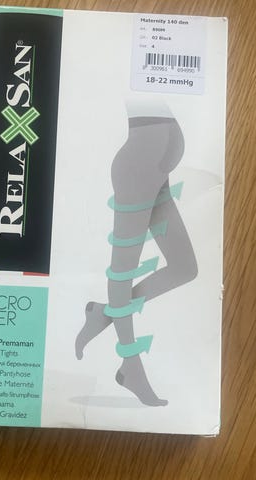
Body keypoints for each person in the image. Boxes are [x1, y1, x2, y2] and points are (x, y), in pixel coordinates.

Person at [76, 97, 198, 406]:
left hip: (155, 172)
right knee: (123, 270)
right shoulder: (132, 77)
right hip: (138, 170)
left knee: (185, 267)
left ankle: (105, 312)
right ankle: (131, 367)